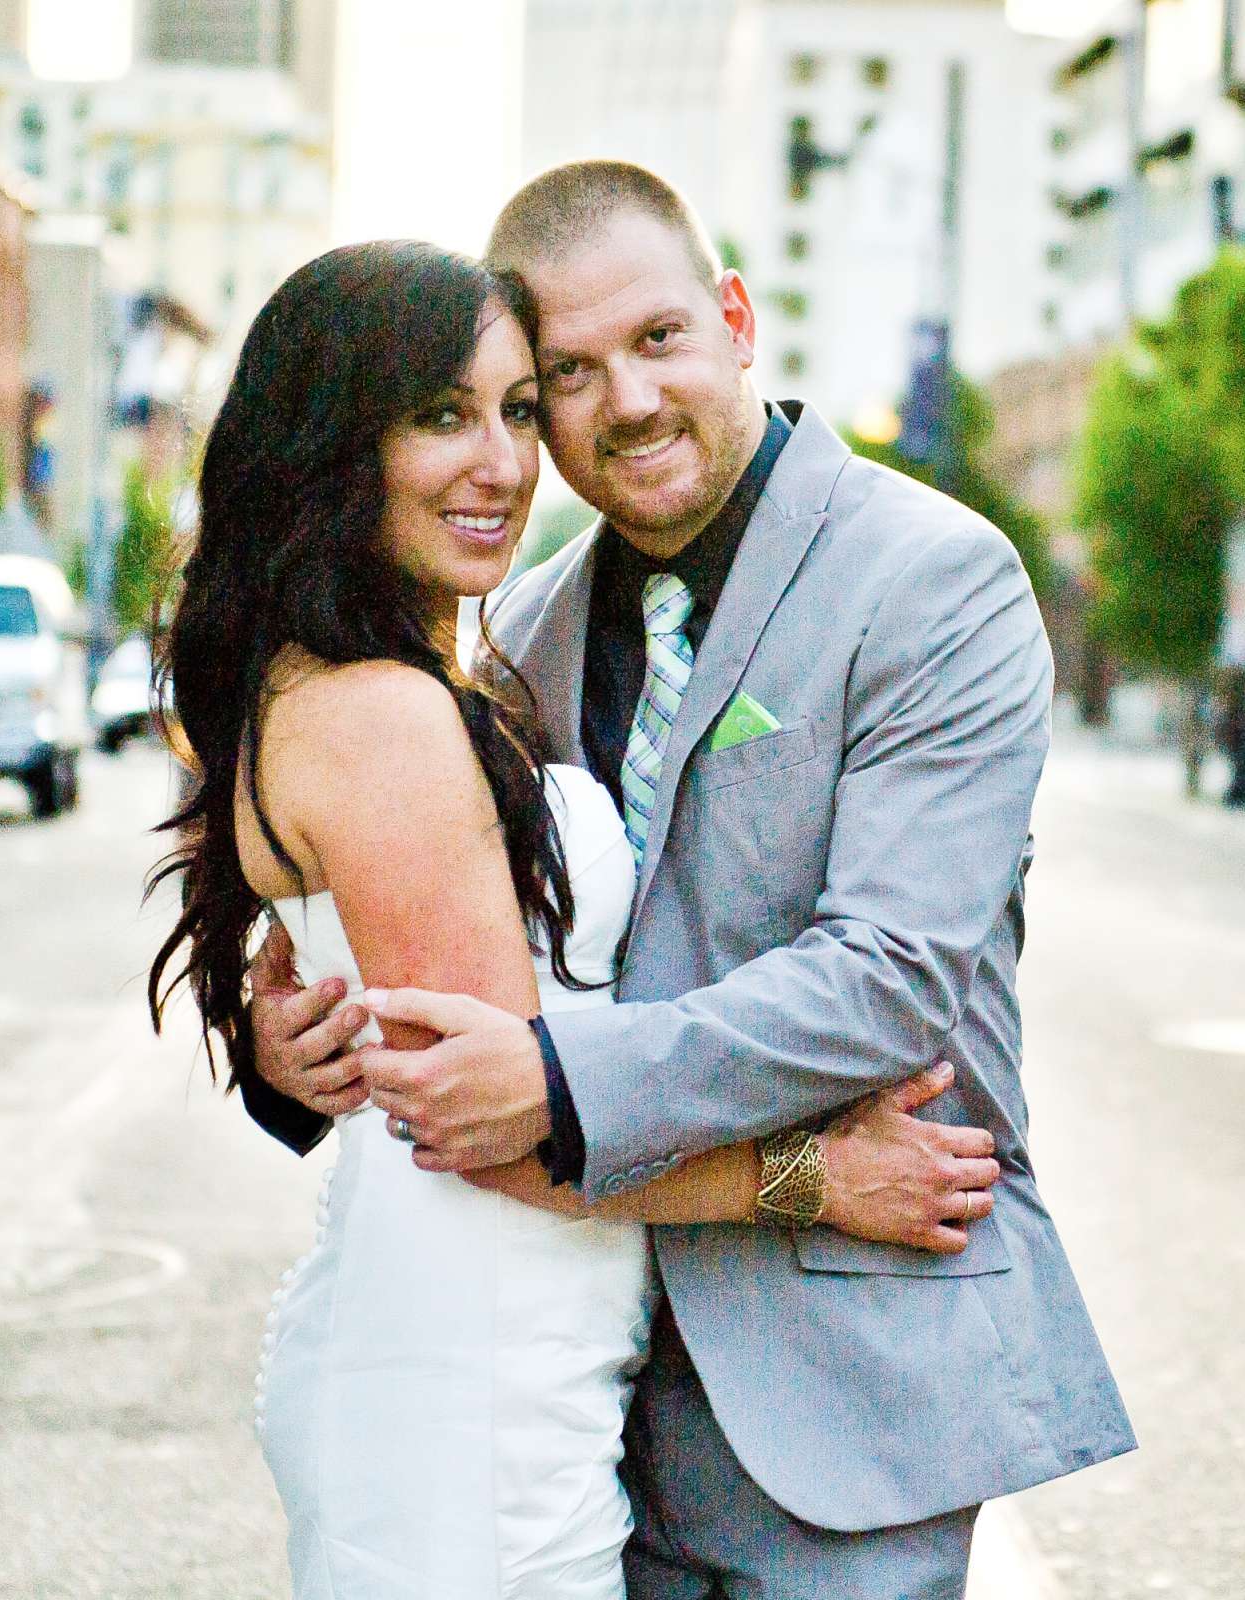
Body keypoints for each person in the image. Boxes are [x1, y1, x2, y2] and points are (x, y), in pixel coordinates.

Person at [244, 165, 1135, 1597]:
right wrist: (299, 1049)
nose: (629, 404)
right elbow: (444, 948)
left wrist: (560, 1079)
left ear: (734, 320)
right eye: (567, 378)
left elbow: (895, 978)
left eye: (659, 340)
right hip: (581, 1380)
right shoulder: (514, 630)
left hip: (841, 1379)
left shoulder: (935, 578)